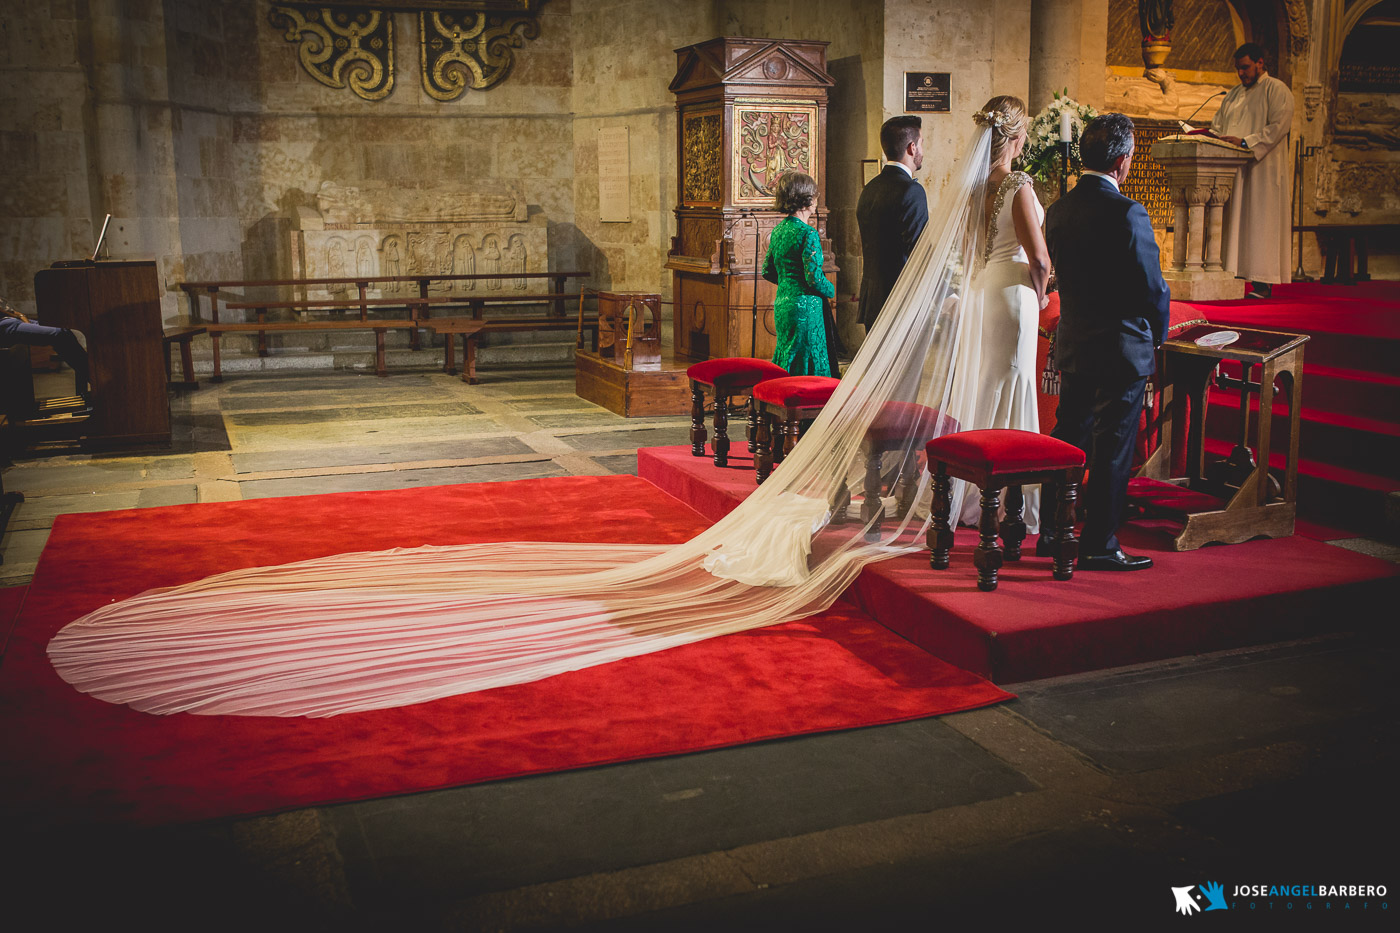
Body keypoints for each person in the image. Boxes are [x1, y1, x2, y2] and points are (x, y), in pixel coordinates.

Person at [48, 110, 1014, 719]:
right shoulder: (868, 213)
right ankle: (846, 470)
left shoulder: (830, 211)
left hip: (811, 308)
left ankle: (817, 463)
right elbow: (815, 273)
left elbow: (780, 270)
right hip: (824, 310)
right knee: (811, 382)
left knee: (803, 382)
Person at [1041, 113, 1170, 571]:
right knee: (1112, 448)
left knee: (1069, 438)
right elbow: (1152, 288)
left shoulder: (1060, 209)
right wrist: (1159, 336)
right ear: (1121, 161)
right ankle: (1098, 543)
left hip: (1076, 343)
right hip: (1121, 349)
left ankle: (1051, 532)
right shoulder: (1127, 212)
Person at [952, 96, 1051, 532]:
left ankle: (977, 488)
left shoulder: (974, 186)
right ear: (1016, 135)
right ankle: (1012, 495)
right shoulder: (1017, 185)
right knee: (1014, 379)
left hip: (984, 285)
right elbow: (1041, 258)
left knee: (989, 380)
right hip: (1013, 290)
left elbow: (970, 249)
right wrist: (1044, 293)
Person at [1210, 42, 1295, 298]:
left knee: (1259, 223)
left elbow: (1279, 125)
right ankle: (1234, 277)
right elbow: (1218, 125)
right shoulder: (1233, 95)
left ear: (1260, 63)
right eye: (1238, 69)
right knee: (1236, 223)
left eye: (1245, 67)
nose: (1241, 73)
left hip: (1262, 170)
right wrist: (1210, 138)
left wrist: (1246, 142)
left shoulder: (1276, 89)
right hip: (1233, 169)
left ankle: (1262, 283)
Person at [856, 116, 928, 331]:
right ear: (912, 147)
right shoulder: (911, 191)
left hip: (873, 301)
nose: (923, 150)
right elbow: (919, 250)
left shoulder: (870, 189)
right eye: (922, 143)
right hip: (900, 300)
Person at [762, 171, 838, 377]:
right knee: (808, 357)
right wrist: (830, 289)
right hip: (806, 307)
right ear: (805, 199)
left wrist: (790, 283)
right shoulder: (808, 233)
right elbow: (813, 277)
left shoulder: (778, 231)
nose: (816, 199)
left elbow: (767, 270)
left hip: (783, 304)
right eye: (814, 195)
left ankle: (779, 398)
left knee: (787, 354)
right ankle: (808, 405)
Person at [0, 295, 90, 405]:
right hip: (4, 325)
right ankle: (94, 379)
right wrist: (20, 315)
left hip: (13, 320)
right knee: (59, 335)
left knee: (64, 330)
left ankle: (93, 379)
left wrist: (21, 317)